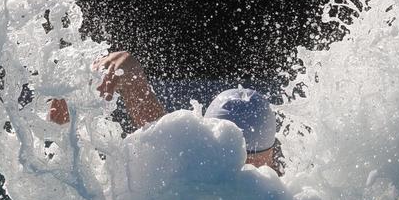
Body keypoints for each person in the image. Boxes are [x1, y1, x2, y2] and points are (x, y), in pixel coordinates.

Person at [49, 51, 280, 173]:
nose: (239, 168)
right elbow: (131, 75)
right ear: (272, 153)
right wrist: (125, 65)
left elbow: (132, 78)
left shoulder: (186, 170)